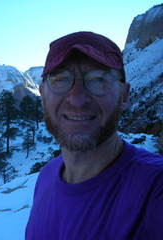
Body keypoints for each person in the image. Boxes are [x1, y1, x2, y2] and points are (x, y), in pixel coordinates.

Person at [25, 31, 163, 240]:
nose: (77, 99)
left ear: (124, 96)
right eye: (61, 79)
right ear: (43, 94)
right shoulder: (46, 176)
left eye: (98, 80)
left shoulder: (155, 188)